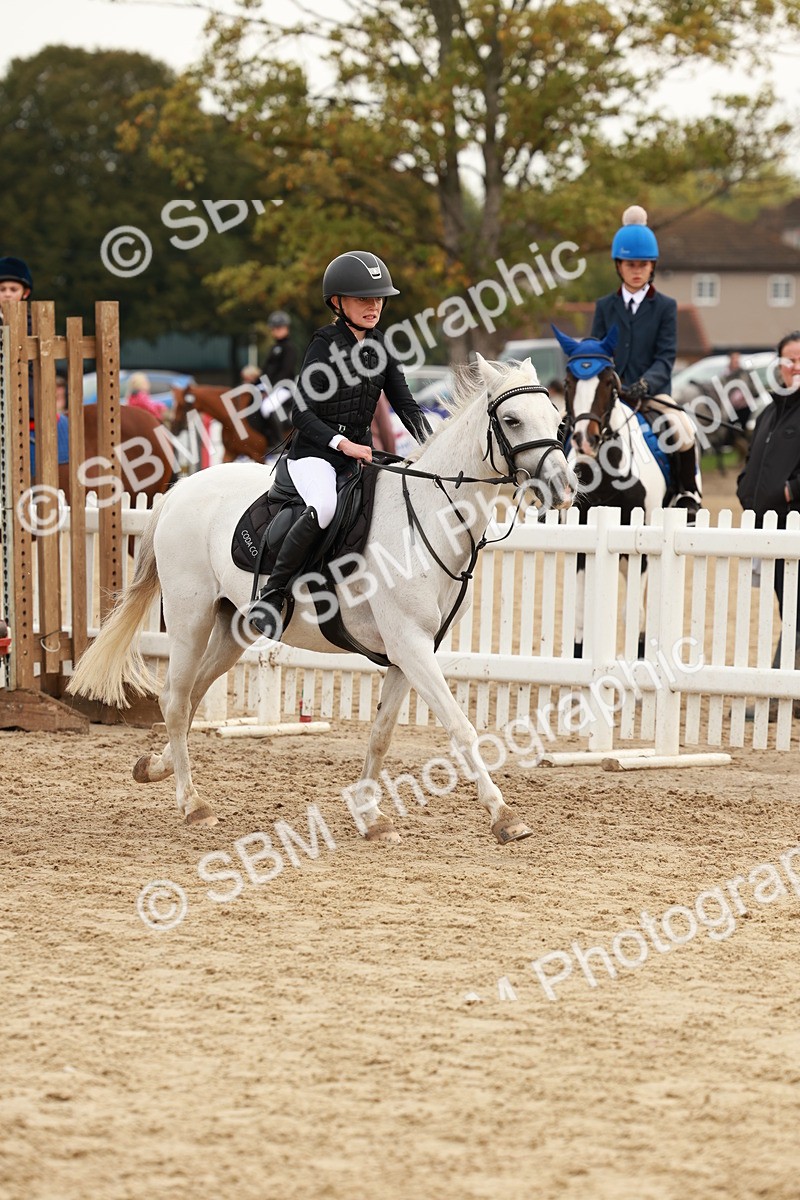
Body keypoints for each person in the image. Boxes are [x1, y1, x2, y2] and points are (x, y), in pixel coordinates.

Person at [248, 250, 433, 638]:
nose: (373, 306)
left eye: (378, 298)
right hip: (314, 454)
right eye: (364, 298)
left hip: (359, 456)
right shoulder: (323, 345)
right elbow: (301, 412)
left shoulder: (381, 346)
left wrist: (433, 447)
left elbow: (406, 405)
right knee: (326, 506)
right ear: (338, 302)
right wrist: (342, 444)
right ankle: (272, 593)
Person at [591, 205, 701, 517]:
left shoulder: (665, 307)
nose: (636, 270)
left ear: (652, 266)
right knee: (569, 424)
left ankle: (686, 492)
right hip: (610, 394)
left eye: (643, 264)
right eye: (630, 264)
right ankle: (556, 491)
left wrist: (644, 384)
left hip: (651, 394)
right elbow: (598, 352)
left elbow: (666, 357)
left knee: (681, 429)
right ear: (619, 266)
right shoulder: (605, 307)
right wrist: (609, 380)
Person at [737, 330, 800, 653]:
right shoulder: (769, 412)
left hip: (796, 525)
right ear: (779, 365)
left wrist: (789, 491)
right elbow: (753, 459)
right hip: (770, 528)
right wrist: (745, 488)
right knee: (788, 610)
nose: (796, 366)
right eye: (790, 359)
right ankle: (783, 688)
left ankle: (781, 688)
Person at [247, 311, 298, 438]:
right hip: (270, 387)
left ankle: (279, 441)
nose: (276, 330)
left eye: (279, 328)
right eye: (274, 328)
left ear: (286, 328)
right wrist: (255, 384)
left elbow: (285, 371)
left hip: (284, 387)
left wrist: (269, 387)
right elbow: (266, 371)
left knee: (267, 407)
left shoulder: (290, 348)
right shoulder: (274, 348)